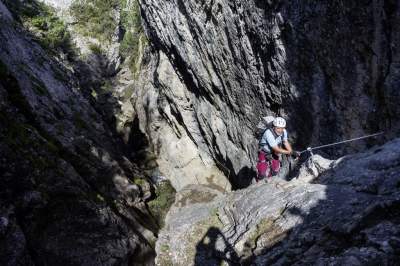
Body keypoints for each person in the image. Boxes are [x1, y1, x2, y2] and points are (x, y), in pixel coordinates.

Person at [256, 117, 299, 181]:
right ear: (273, 127)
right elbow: (276, 149)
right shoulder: (268, 133)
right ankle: (259, 184)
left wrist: (291, 151)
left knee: (275, 170)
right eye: (278, 128)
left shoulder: (284, 132)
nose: (280, 130)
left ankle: (269, 181)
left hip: (274, 152)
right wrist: (290, 152)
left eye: (282, 128)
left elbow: (285, 142)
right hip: (264, 153)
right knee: (262, 173)